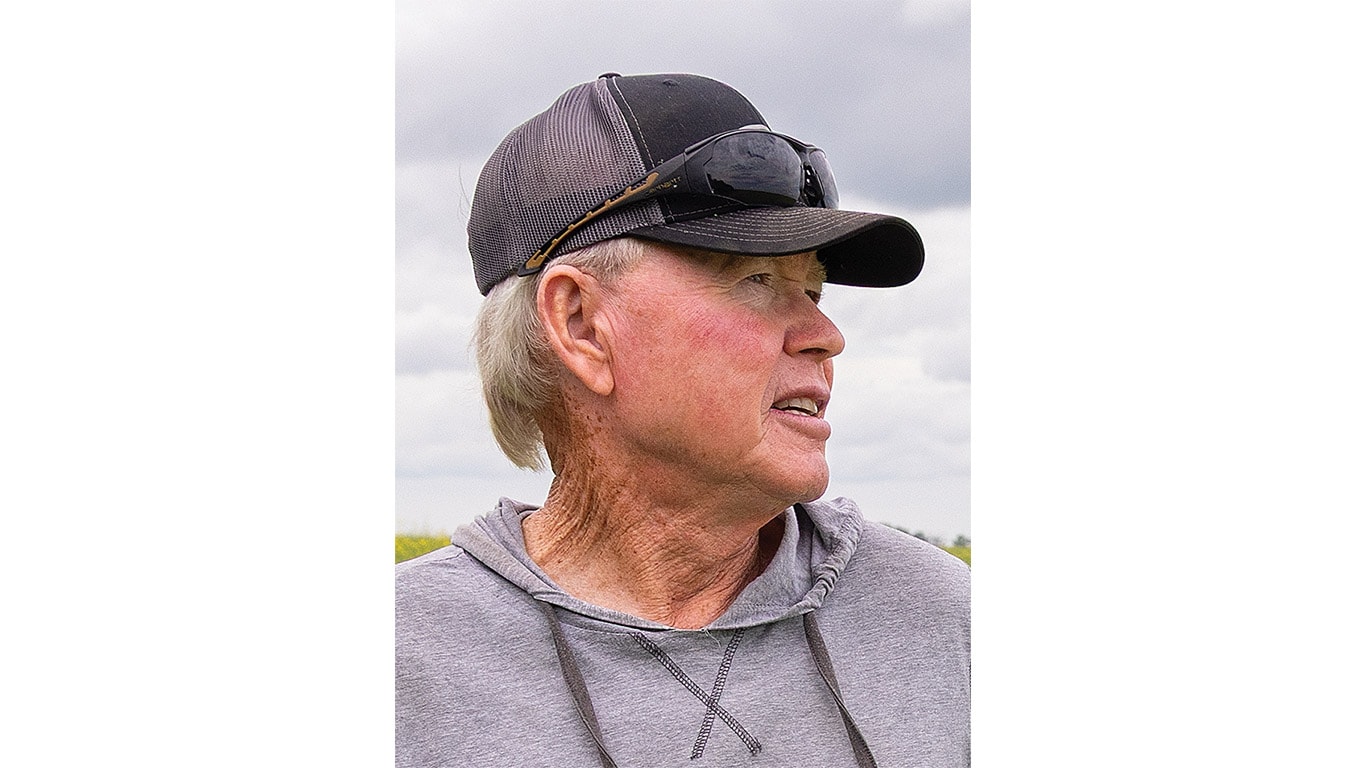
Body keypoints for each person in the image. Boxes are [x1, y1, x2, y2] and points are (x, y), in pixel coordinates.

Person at [396, 72, 969, 767]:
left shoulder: (953, 628)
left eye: (814, 289)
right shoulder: (402, 665)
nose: (824, 334)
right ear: (581, 325)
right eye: (756, 280)